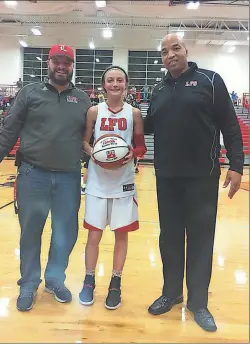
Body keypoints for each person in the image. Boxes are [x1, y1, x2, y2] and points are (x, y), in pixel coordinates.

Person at [0, 44, 91, 312]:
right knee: (31, 232)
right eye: (57, 61)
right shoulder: (29, 93)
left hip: (69, 177)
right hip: (32, 174)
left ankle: (54, 280)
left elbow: (90, 141)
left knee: (65, 233)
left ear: (72, 66)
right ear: (49, 63)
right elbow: (9, 130)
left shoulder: (84, 100)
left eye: (67, 62)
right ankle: (29, 283)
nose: (62, 66)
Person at [144, 34, 244, 332]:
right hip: (167, 177)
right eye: (164, 52)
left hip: (203, 175)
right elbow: (147, 126)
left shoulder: (210, 80)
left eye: (175, 48)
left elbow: (229, 124)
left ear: (186, 50)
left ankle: (198, 302)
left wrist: (236, 165)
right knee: (170, 238)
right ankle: (171, 292)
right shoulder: (159, 89)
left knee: (200, 240)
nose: (170, 55)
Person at [79, 66, 147, 309]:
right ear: (104, 85)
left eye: (120, 80)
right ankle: (89, 280)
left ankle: (115, 283)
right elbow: (85, 142)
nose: (115, 84)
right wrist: (93, 154)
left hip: (124, 181)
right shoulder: (94, 111)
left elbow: (141, 147)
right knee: (94, 235)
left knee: (121, 234)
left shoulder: (135, 113)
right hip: (98, 180)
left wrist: (133, 153)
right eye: (111, 80)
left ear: (126, 84)